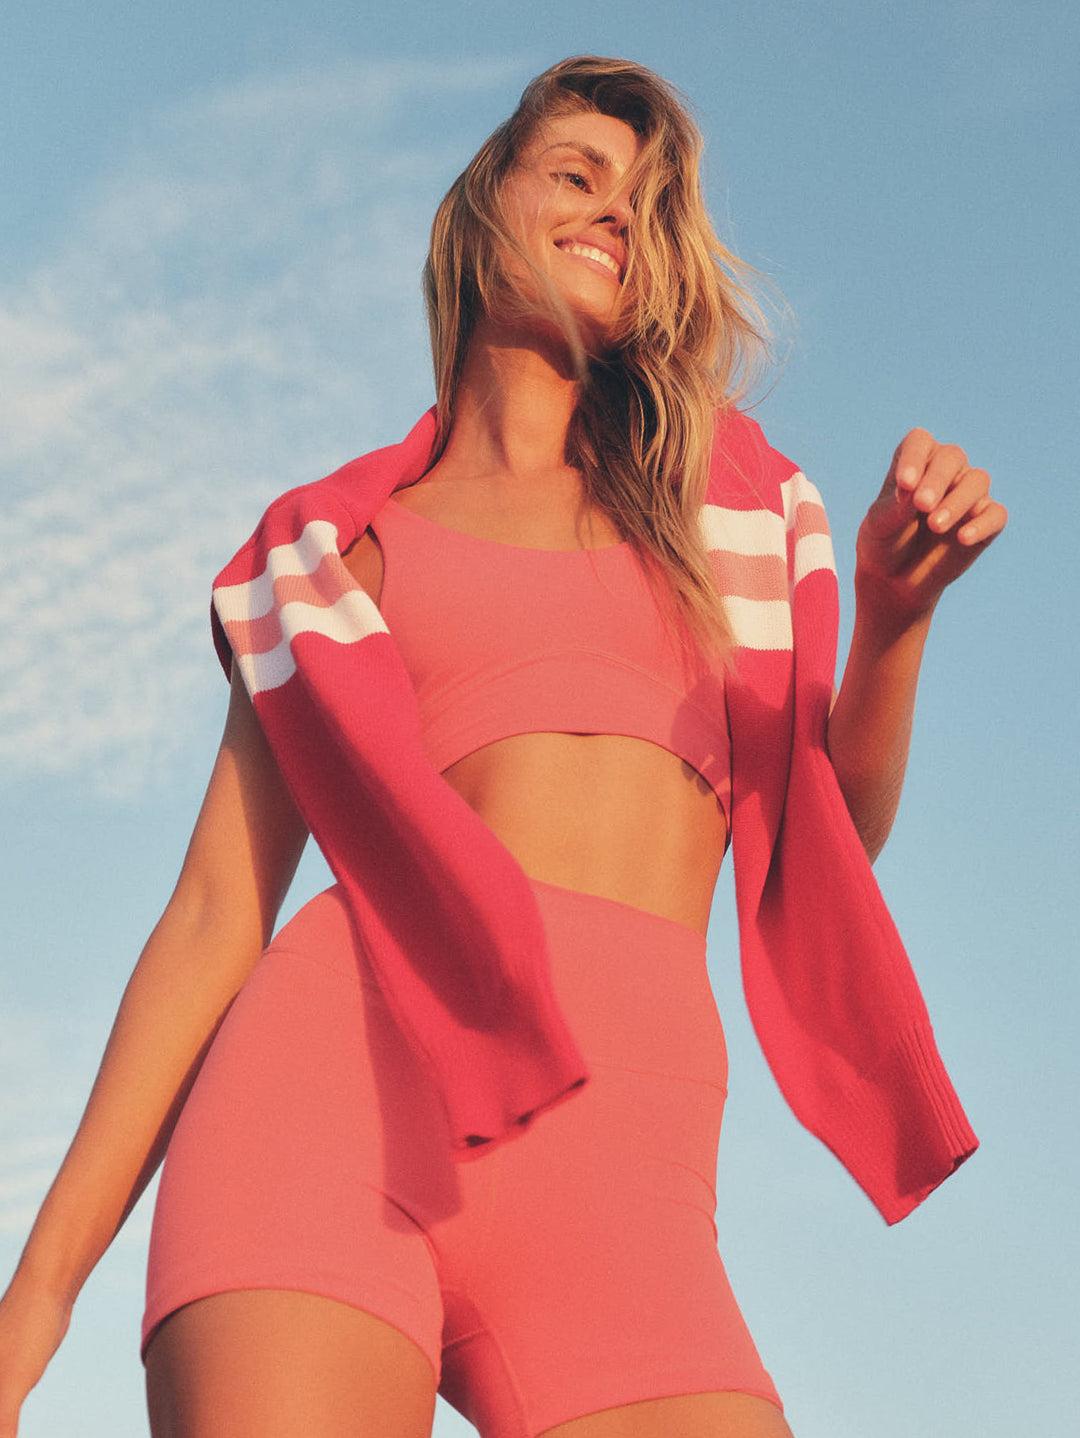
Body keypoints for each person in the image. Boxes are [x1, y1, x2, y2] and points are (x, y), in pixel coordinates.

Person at [0, 55, 1006, 1438]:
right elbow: (219, 908)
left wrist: (894, 612)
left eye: (645, 202)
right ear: (480, 212)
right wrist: (38, 1293)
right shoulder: (337, 546)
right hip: (331, 1106)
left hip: (629, 1185)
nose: (613, 212)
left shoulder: (736, 513)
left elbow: (829, 838)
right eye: (577, 174)